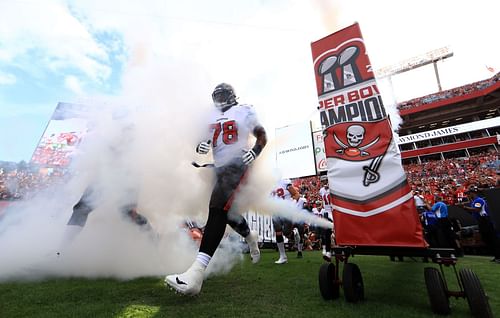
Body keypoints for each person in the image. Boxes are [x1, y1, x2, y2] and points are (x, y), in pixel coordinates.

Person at [165, 83, 267, 295]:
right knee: (227, 213)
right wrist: (199, 146)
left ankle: (195, 275)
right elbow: (202, 141)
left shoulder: (245, 110)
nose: (220, 99)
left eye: (223, 95)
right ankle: (250, 235)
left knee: (217, 207)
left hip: (238, 163)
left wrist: (255, 151)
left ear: (232, 96)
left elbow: (261, 136)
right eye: (217, 95)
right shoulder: (209, 116)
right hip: (219, 168)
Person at [460, 187, 500, 263]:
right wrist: (464, 208)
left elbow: (477, 210)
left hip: (485, 221)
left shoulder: (479, 200)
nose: (468, 195)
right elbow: (473, 212)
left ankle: (499, 256)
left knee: (492, 239)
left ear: (473, 193)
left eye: (469, 193)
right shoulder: (473, 202)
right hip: (481, 221)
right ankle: (496, 256)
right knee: (487, 239)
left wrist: (464, 207)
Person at [271, 178, 301, 264]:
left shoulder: (285, 183)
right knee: (278, 231)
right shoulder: (268, 186)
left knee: (286, 233)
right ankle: (283, 256)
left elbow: (296, 194)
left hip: (287, 210)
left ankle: (294, 233)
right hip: (276, 211)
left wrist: (293, 203)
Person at [319, 179, 334, 261]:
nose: (325, 183)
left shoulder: (334, 187)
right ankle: (328, 252)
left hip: (336, 211)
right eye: (323, 181)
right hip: (328, 212)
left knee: (338, 231)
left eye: (326, 181)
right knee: (327, 231)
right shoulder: (321, 190)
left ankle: (341, 248)